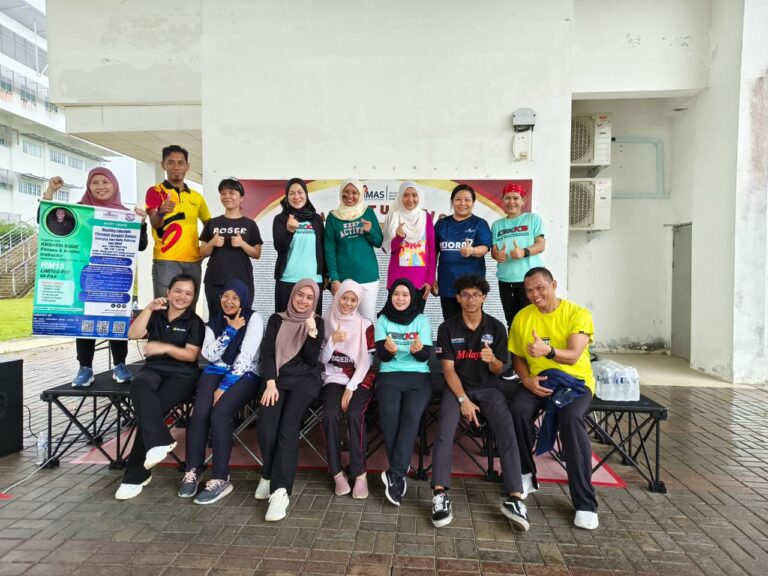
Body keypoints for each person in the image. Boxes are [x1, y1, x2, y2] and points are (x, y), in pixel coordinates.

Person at [430, 275, 529, 530]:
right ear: (458, 298)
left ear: (484, 297)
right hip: (457, 388)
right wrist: (463, 399)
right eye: (465, 295)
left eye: (475, 295)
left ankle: (515, 497)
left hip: (488, 388)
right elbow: (448, 370)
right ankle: (440, 494)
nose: (470, 300)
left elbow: (498, 370)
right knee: (444, 431)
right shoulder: (447, 328)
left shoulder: (496, 327)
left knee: (507, 430)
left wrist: (492, 361)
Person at [508, 267, 599, 530]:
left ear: (553, 285)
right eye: (529, 290)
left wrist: (547, 351)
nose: (535, 295)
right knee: (518, 410)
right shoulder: (522, 317)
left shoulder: (577, 314)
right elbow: (517, 357)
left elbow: (572, 355)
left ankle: (585, 501)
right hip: (539, 380)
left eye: (540, 288)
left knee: (571, 418)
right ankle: (526, 474)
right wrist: (526, 380)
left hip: (575, 383)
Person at [42, 172, 149, 387]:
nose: (100, 186)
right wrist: (50, 192)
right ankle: (85, 368)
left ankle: (120, 364)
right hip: (85, 276)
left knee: (115, 320)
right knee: (85, 322)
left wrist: (142, 223)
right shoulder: (78, 211)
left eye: (105, 182)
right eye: (95, 182)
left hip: (114, 279)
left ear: (115, 185)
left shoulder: (124, 215)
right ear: (88, 186)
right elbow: (48, 219)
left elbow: (141, 245)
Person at [114, 274, 205, 500]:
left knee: (149, 414)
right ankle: (161, 441)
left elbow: (191, 354)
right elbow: (133, 334)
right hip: (154, 370)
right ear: (168, 292)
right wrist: (148, 308)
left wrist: (163, 347)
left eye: (188, 293)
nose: (182, 296)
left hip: (182, 375)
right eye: (178, 291)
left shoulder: (194, 322)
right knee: (140, 384)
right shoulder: (156, 315)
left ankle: (134, 477)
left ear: (193, 298)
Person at [177, 279, 264, 504]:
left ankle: (220, 477)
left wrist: (224, 387)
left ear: (244, 299)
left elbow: (246, 357)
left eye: (235, 297)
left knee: (220, 413)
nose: (229, 301)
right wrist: (229, 332)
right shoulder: (213, 323)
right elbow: (210, 354)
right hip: (215, 370)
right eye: (226, 296)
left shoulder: (254, 319)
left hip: (245, 374)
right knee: (200, 413)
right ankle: (193, 469)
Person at [257, 279, 325, 521]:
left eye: (309, 297)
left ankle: (281, 490)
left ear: (315, 300)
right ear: (293, 295)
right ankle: (268, 473)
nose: (304, 300)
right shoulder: (277, 319)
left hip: (305, 381)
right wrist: (270, 382)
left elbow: (310, 359)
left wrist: (312, 333)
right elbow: (267, 353)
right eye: (300, 295)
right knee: (266, 422)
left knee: (288, 425)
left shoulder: (317, 321)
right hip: (278, 380)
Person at [375, 278, 433, 506]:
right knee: (389, 419)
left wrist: (418, 352)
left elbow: (425, 355)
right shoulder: (382, 319)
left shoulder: (422, 320)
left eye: (405, 295)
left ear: (412, 297)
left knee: (411, 418)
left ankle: (395, 473)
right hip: (390, 373)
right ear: (391, 297)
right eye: (396, 294)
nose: (400, 298)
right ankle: (397, 474)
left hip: (418, 375)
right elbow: (382, 355)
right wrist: (388, 352)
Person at [320, 279, 376, 499]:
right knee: (330, 414)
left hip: (358, 377)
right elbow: (322, 359)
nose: (348, 303)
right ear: (338, 296)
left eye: (353, 300)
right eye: (345, 297)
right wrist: (332, 341)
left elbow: (366, 361)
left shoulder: (365, 324)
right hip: (333, 376)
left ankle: (359, 473)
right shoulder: (326, 319)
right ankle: (336, 472)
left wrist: (351, 388)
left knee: (354, 414)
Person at [145, 145, 211, 305]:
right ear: (163, 165)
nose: (176, 167)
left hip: (193, 261)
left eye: (181, 163)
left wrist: (203, 250)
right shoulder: (155, 191)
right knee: (163, 307)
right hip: (166, 260)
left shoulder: (196, 197)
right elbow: (155, 223)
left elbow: (209, 224)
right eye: (171, 162)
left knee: (189, 309)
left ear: (187, 166)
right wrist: (161, 211)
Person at [199, 178, 263, 320]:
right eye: (223, 193)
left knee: (241, 319)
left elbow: (257, 253)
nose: (227, 196)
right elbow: (201, 252)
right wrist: (212, 243)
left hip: (242, 281)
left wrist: (242, 244)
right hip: (215, 281)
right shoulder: (212, 223)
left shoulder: (250, 224)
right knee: (216, 320)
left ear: (241, 198)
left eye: (231, 193)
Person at [324, 179, 383, 320]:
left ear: (360, 194)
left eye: (354, 192)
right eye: (346, 192)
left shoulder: (367, 213)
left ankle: (366, 344)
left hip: (368, 277)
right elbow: (329, 250)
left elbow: (379, 242)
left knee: (367, 321)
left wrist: (370, 231)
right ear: (341, 193)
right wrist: (334, 279)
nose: (350, 196)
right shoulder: (333, 217)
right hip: (344, 279)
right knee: (343, 320)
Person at [490, 183, 545, 330]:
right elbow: (493, 251)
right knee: (512, 324)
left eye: (516, 198)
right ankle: (515, 354)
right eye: (508, 198)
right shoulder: (496, 225)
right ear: (503, 200)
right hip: (505, 281)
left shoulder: (533, 219)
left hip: (530, 281)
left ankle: (534, 353)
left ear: (523, 201)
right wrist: (497, 255)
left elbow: (541, 245)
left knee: (532, 323)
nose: (511, 201)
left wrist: (524, 252)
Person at [432, 184, 492, 320]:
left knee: (473, 323)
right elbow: (433, 253)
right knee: (450, 323)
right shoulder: (442, 224)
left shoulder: (480, 223)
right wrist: (431, 278)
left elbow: (485, 248)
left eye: (467, 200)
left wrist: (472, 250)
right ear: (452, 201)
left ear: (473, 202)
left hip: (473, 287)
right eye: (458, 199)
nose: (463, 203)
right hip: (447, 284)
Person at [382, 181, 436, 314]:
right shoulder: (394, 216)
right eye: (406, 195)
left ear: (419, 197)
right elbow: (388, 249)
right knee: (396, 319)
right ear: (400, 197)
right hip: (397, 280)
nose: (410, 199)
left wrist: (429, 280)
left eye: (414, 195)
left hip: (420, 282)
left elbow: (432, 251)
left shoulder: (426, 217)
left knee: (416, 321)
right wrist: (399, 237)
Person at [273, 178, 325, 314]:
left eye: (300, 192)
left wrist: (326, 275)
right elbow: (279, 247)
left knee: (312, 325)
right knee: (284, 322)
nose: (297, 197)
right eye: (292, 193)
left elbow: (323, 249)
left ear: (306, 194)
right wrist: (289, 231)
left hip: (313, 279)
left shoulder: (316, 219)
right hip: (288, 279)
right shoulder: (281, 219)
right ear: (287, 196)